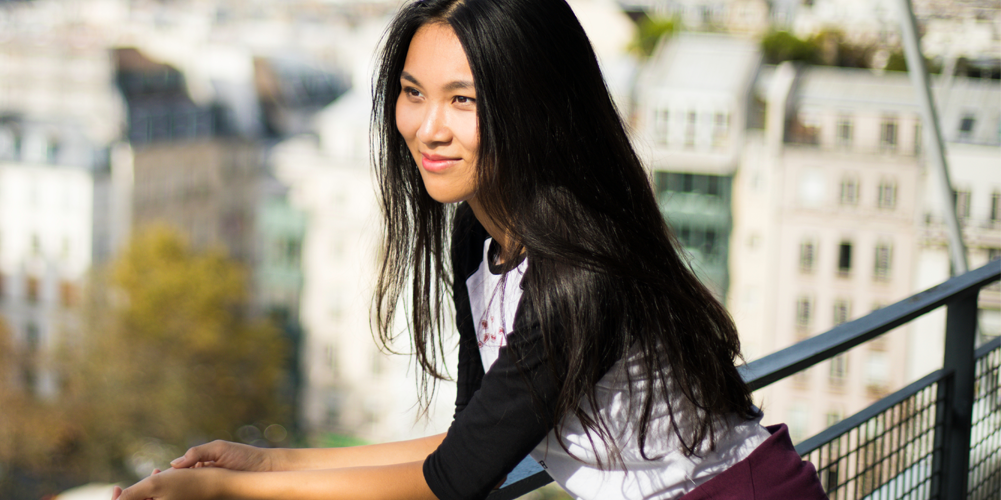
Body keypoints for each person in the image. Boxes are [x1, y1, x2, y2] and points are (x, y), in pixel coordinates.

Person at [114, 0, 830, 498]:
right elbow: (466, 444)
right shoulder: (481, 233)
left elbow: (453, 482)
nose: (427, 128)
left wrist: (232, 491)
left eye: (463, 100)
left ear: (535, 105)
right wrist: (264, 466)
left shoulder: (579, 274)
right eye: (412, 93)